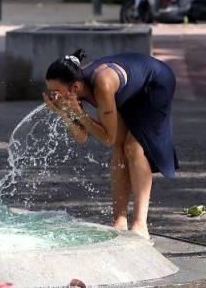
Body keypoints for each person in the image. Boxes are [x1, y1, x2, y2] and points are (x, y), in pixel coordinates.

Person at [43, 49, 178, 241]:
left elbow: (107, 138)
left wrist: (78, 113)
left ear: (75, 87)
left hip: (155, 84)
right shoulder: (74, 89)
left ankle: (140, 226)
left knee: (133, 147)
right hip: (130, 89)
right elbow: (81, 137)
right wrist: (64, 112)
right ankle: (119, 222)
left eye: (57, 92)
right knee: (120, 149)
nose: (54, 96)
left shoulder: (102, 84)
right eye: (51, 91)